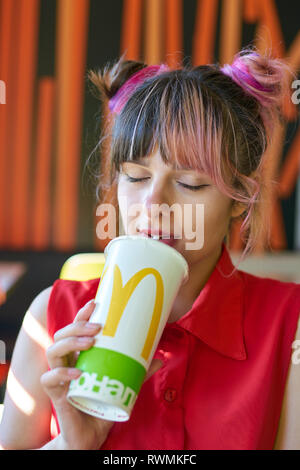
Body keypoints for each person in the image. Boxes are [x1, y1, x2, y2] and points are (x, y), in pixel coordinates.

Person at [1, 47, 300, 450]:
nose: (152, 205)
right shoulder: (51, 316)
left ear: (239, 199)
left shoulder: (288, 323)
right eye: (136, 177)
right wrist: (73, 445)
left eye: (190, 183)